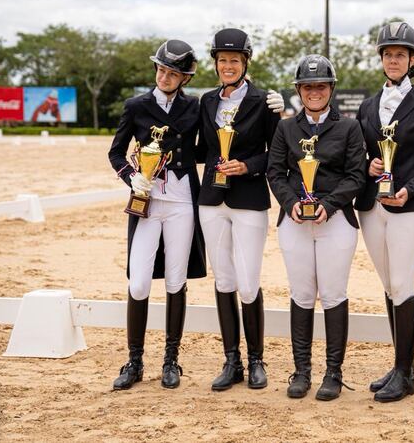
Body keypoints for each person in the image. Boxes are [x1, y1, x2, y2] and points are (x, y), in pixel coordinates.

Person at [354, 22, 414, 403]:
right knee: (388, 285)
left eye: (400, 54)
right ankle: (402, 367)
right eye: (388, 54)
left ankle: (405, 372)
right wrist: (368, 166)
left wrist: (412, 187)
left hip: (410, 206)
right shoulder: (367, 106)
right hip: (373, 206)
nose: (393, 60)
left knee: (402, 282)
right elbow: (358, 153)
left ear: (412, 60)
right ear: (381, 59)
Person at [107, 39, 207, 390]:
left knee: (176, 280)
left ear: (185, 78)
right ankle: (134, 361)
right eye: (162, 70)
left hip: (181, 201)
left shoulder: (194, 107)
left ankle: (171, 360)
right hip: (146, 202)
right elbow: (116, 152)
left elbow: (207, 148)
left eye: (173, 74)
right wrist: (130, 177)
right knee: (138, 281)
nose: (165, 77)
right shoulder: (136, 106)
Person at [267, 54, 366, 401]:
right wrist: (289, 202)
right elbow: (276, 172)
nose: (314, 92)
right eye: (308, 87)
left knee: (334, 294)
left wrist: (329, 205)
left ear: (331, 89)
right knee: (301, 294)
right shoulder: (285, 128)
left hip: (335, 221)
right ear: (299, 90)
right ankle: (301, 371)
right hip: (295, 221)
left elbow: (356, 176)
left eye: (321, 86)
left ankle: (334, 372)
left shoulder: (349, 128)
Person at [197, 28, 283, 391]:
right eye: (222, 60)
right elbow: (200, 148)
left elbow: (277, 153)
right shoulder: (205, 101)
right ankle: (232, 360)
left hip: (248, 199)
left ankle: (256, 360)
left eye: (234, 60)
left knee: (248, 283)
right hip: (212, 201)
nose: (228, 66)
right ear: (216, 64)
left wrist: (247, 165)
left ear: (245, 63)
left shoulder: (265, 102)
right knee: (224, 280)